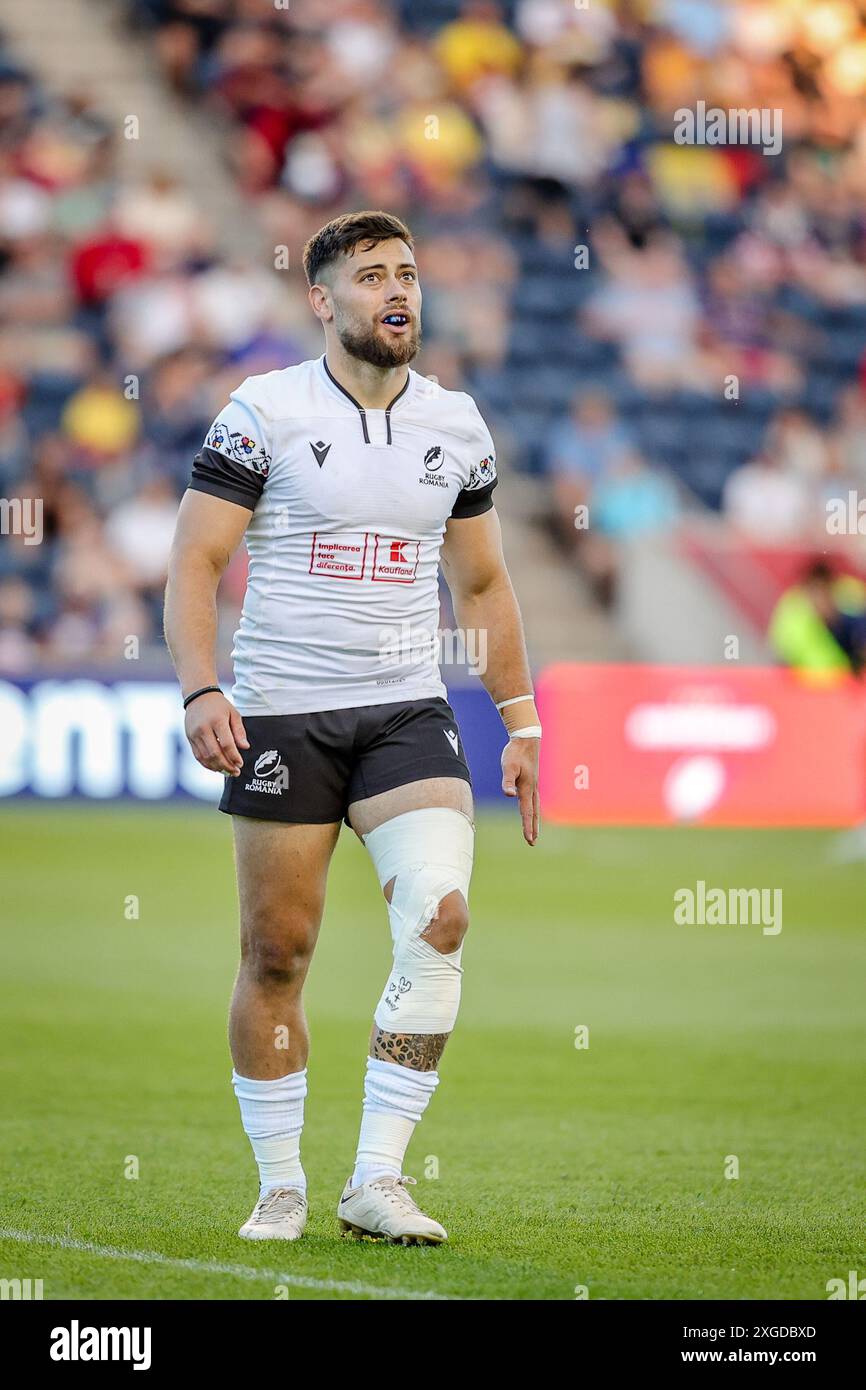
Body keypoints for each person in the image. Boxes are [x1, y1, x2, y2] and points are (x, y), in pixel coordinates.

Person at [164, 210, 540, 1246]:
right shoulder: (263, 410)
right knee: (278, 954)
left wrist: (521, 722)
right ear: (323, 301)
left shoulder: (456, 424)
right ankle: (280, 1182)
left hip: (405, 711)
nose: (399, 290)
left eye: (408, 273)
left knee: (440, 916)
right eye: (373, 275)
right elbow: (195, 562)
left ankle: (377, 1177)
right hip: (281, 712)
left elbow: (482, 582)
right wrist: (202, 689)